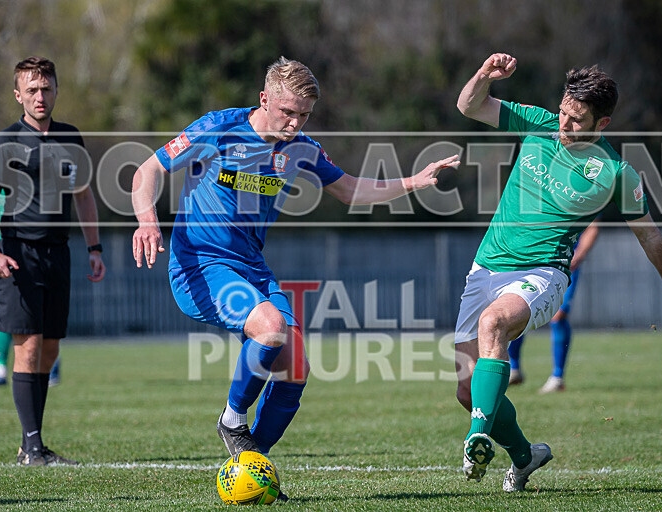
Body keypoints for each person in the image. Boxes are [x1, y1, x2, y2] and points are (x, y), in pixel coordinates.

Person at [131, 57, 459, 498]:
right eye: (287, 112)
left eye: (303, 115)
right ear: (264, 99)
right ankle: (232, 419)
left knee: (296, 366)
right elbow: (147, 170)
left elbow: (349, 189)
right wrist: (148, 220)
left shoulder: (300, 148)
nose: (294, 122)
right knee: (271, 331)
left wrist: (414, 182)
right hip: (199, 264)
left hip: (251, 267)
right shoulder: (217, 128)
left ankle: (252, 470)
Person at [453, 53, 662, 492]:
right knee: (467, 390)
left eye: (577, 120)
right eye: (563, 113)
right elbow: (470, 107)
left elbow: (649, 236)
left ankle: (477, 436)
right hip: (485, 266)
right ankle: (524, 455)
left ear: (601, 124)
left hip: (542, 275)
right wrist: (482, 76)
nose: (564, 125)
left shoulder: (614, 173)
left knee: (493, 324)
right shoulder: (537, 122)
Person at [0, 56, 106, 465]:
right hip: (18, 254)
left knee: (49, 351)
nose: (40, 96)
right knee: (28, 347)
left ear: (56, 90)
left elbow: (83, 195)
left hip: (59, 253)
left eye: (46, 88)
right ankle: (33, 446)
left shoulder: (71, 136)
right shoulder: (6, 140)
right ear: (18, 95)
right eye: (31, 90)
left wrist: (95, 248)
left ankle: (30, 442)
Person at [507, 219, 600, 393]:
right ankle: (514, 368)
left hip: (565, 261)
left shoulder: (581, 193)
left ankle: (557, 378)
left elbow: (593, 226)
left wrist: (578, 255)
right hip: (535, 259)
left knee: (558, 315)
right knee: (518, 308)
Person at [0, 193, 62, 389]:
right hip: (1, 252)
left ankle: (50, 364)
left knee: (40, 312)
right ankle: (0, 370)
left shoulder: (27, 178)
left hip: (32, 250)